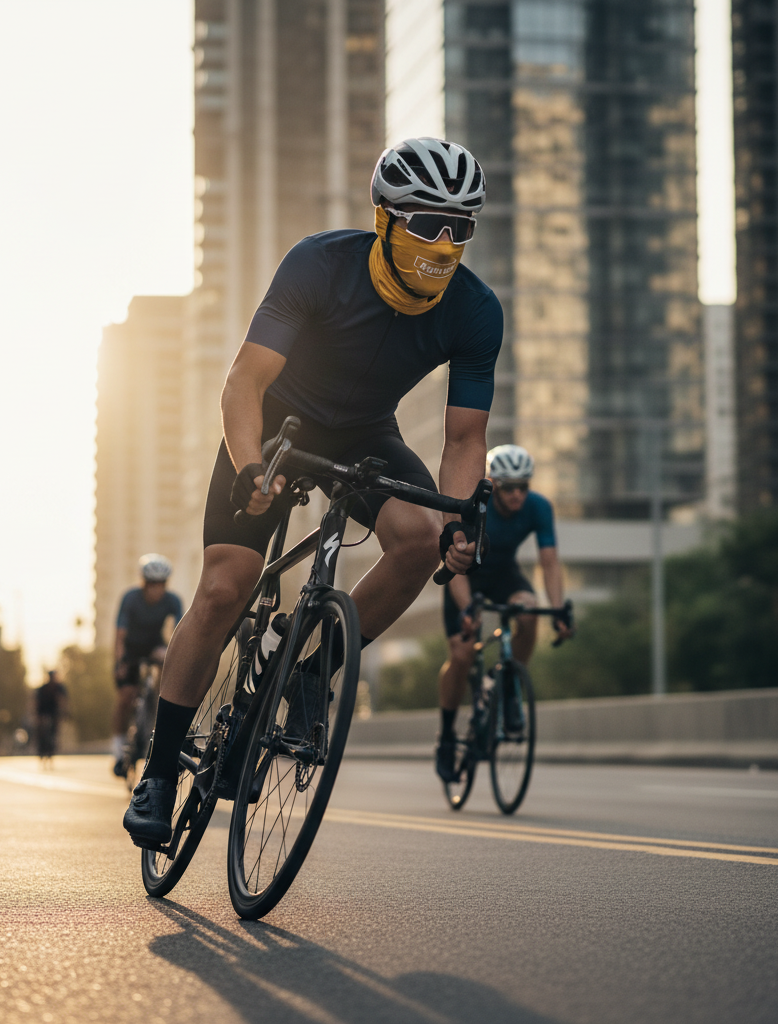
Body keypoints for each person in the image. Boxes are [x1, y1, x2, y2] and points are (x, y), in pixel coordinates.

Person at [124, 137, 503, 848]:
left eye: (463, 228)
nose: (445, 243)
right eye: (428, 223)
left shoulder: (476, 311)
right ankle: (157, 775)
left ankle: (308, 676)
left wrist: (460, 519)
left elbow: (463, 442)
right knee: (223, 588)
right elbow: (244, 382)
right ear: (386, 217)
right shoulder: (320, 264)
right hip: (275, 424)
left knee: (421, 541)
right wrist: (248, 467)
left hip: (365, 433)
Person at [435, 444, 572, 782]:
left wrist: (557, 610)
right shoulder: (475, 506)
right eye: (509, 487)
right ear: (493, 484)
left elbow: (550, 562)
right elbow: (455, 558)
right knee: (463, 653)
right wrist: (468, 609)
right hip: (465, 574)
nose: (517, 495)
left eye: (523, 487)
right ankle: (447, 736)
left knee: (528, 611)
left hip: (503, 574)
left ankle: (510, 685)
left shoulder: (539, 508)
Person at [111, 554, 183, 776]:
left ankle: (158, 723)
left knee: (167, 671)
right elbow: (120, 636)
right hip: (130, 650)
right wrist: (120, 662)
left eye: (161, 584)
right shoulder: (130, 598)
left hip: (154, 647)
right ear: (144, 583)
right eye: (152, 584)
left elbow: (179, 633)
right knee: (126, 697)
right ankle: (117, 750)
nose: (156, 589)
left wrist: (173, 656)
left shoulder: (173, 600)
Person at [35, 670, 69, 766]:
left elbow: (64, 700)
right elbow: (36, 703)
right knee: (41, 732)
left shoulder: (60, 688)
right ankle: (41, 751)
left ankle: (51, 751)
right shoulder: (43, 689)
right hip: (43, 712)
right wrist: (37, 717)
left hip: (54, 713)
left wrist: (65, 713)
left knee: (54, 733)